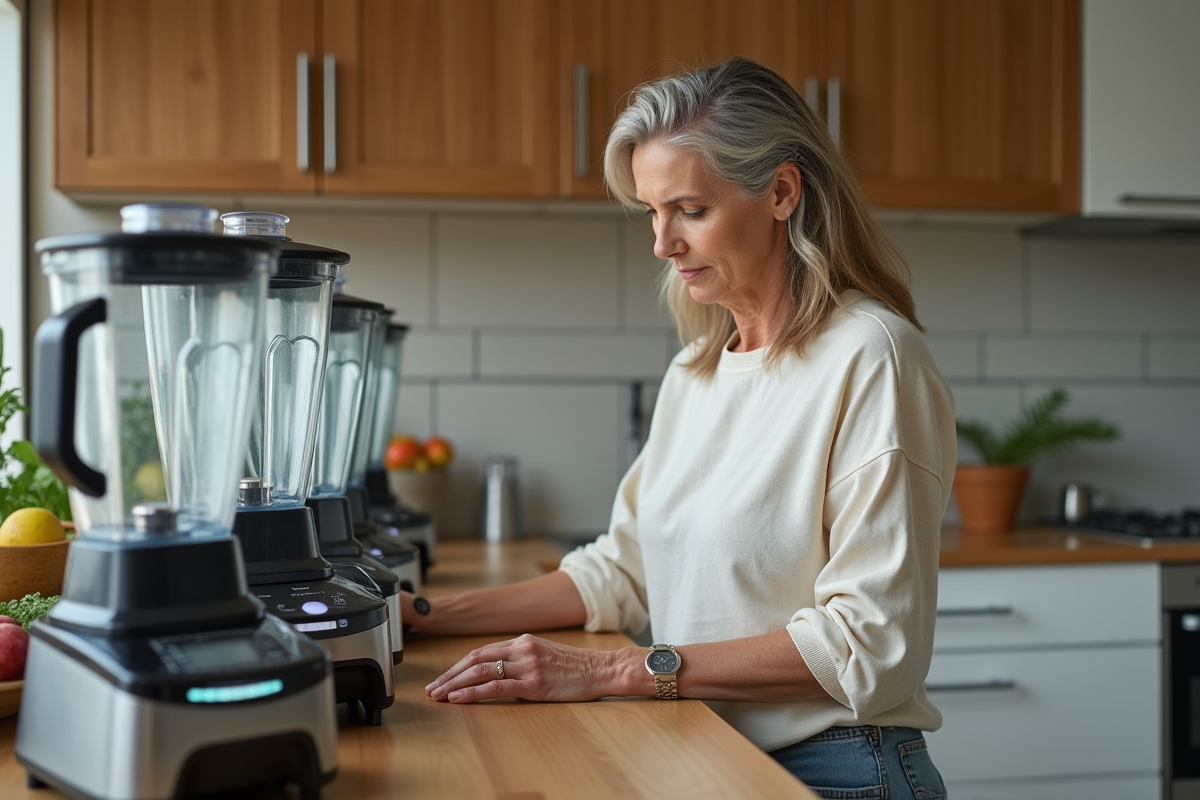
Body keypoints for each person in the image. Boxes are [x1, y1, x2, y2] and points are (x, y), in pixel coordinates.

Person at [403, 56, 955, 800]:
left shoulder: (872, 356)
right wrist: (425, 617)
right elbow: (625, 570)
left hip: (837, 765)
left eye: (690, 209)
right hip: (702, 746)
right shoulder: (696, 369)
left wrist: (615, 672)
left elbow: (870, 645)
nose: (662, 243)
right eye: (652, 212)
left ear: (782, 192)